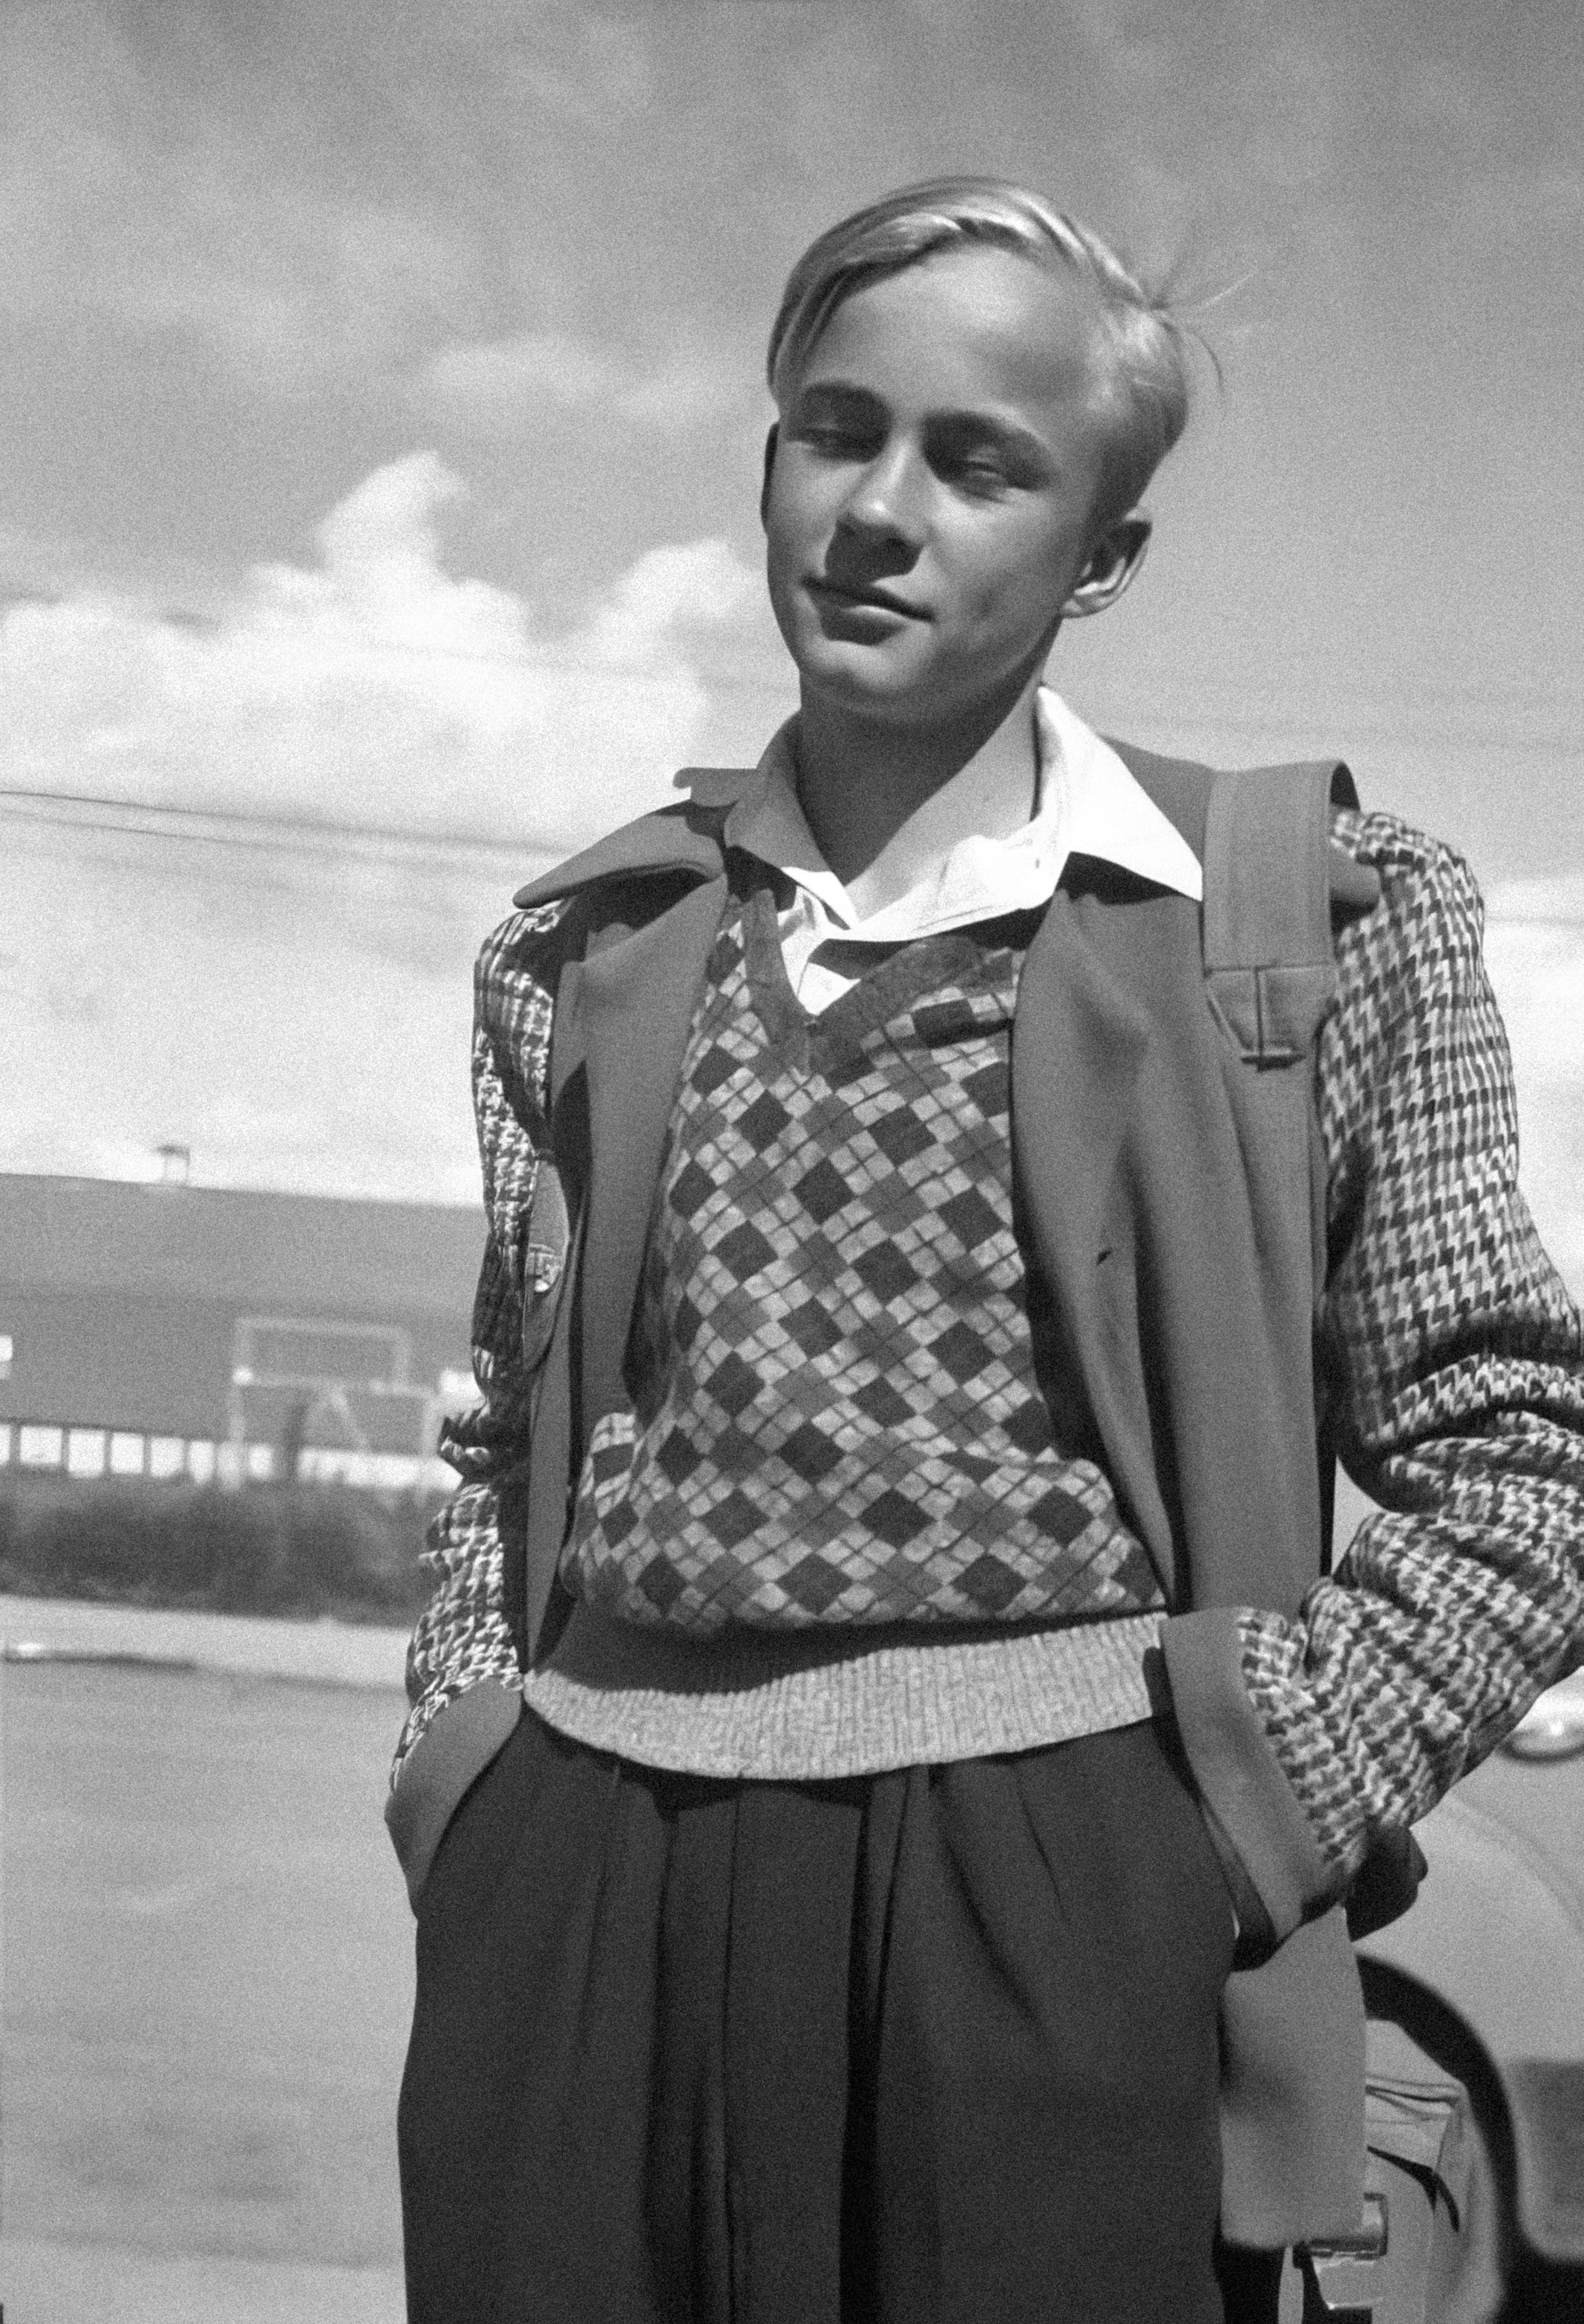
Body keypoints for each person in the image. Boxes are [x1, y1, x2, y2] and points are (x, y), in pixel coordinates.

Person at [388, 178, 1584, 2323]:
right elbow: (504, 1434)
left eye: (979, 461)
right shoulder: (585, 952)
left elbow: (1518, 1449)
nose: (878, 510)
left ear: (1100, 550)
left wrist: (1236, 1816)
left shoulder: (1316, 920)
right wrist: (468, 1772)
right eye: (833, 432)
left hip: (1059, 1895)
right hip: (581, 1885)